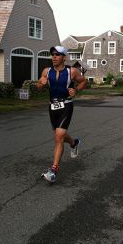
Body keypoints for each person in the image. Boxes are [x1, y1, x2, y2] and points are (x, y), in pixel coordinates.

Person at [36, 46, 86, 183]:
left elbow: (83, 81)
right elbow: (38, 87)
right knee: (60, 135)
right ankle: (74, 142)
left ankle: (54, 170)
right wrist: (41, 84)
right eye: (52, 54)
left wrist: (75, 90)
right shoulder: (47, 71)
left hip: (67, 105)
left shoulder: (72, 71)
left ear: (64, 57)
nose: (54, 57)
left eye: (57, 55)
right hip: (52, 106)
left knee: (58, 137)